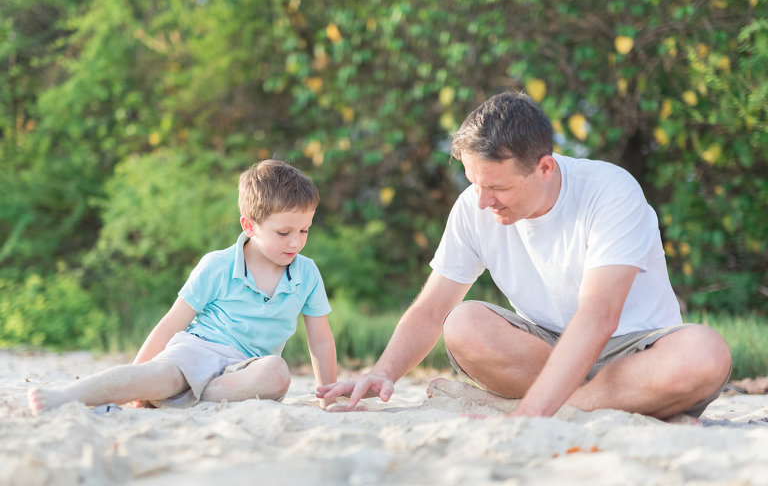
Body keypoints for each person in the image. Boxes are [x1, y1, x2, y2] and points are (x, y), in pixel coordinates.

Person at [319, 91, 731, 419]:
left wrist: (530, 414)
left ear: (545, 169)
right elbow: (431, 310)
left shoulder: (610, 190)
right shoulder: (474, 204)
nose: (482, 201)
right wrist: (382, 372)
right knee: (462, 323)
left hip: (637, 353)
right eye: (473, 182)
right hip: (547, 351)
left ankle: (548, 406)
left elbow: (599, 316)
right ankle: (591, 401)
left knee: (705, 353)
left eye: (497, 187)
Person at [29, 159, 337, 414]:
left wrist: (328, 399)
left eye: (304, 230)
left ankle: (176, 394)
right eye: (283, 232)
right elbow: (171, 323)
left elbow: (320, 341)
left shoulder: (306, 273)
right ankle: (68, 396)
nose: (295, 241)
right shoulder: (218, 265)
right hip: (198, 352)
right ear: (249, 226)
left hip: (245, 373)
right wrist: (139, 373)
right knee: (159, 375)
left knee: (278, 372)